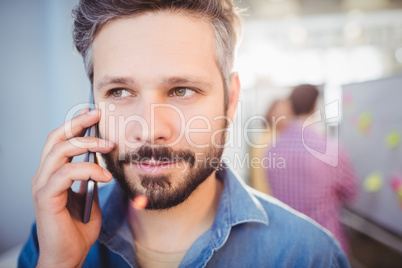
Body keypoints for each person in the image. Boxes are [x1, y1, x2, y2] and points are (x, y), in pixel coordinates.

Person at [18, 1, 350, 267]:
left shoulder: (308, 256)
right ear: (93, 103)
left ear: (231, 99)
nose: (150, 131)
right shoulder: (51, 240)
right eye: (119, 92)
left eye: (182, 90)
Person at [267, 84, 358, 255]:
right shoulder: (331, 150)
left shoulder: (272, 150)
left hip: (287, 247)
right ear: (315, 106)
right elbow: (351, 193)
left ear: (291, 106)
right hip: (326, 248)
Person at [248, 99, 293, 195]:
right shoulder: (265, 141)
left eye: (287, 113)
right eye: (281, 113)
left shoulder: (281, 137)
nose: (284, 116)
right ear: (271, 113)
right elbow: (259, 178)